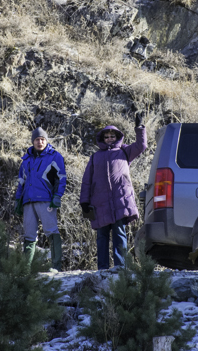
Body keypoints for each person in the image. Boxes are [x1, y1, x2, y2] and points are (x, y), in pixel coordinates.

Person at [79, 113, 148, 270]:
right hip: (99, 203)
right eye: (107, 136)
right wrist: (84, 201)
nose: (109, 138)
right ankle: (102, 268)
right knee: (102, 237)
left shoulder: (125, 152)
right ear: (102, 139)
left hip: (120, 202)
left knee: (119, 235)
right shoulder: (95, 157)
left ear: (117, 137)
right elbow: (87, 180)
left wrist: (139, 128)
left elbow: (141, 145)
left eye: (112, 136)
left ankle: (120, 267)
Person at [15, 127, 67, 270]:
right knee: (29, 235)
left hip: (46, 200)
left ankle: (56, 267)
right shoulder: (26, 160)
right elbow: (21, 182)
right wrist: (17, 200)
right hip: (28, 201)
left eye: (43, 139)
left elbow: (61, 179)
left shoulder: (55, 156)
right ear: (33, 141)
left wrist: (57, 196)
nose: (40, 142)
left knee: (52, 231)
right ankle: (25, 270)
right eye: (37, 139)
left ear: (46, 141)